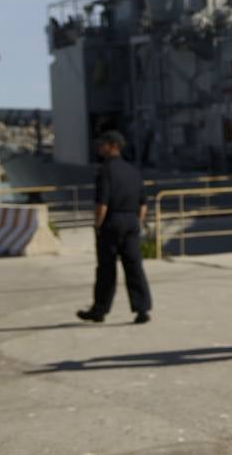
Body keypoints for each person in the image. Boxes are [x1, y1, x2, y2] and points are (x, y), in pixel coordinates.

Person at [77, 131, 153, 324]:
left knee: (106, 269)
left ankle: (100, 310)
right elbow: (143, 204)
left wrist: (98, 225)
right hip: (131, 222)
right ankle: (142, 309)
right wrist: (137, 223)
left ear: (113, 146)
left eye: (102, 144)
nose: (99, 147)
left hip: (111, 222)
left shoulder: (105, 171)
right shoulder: (133, 171)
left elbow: (102, 203)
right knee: (134, 267)